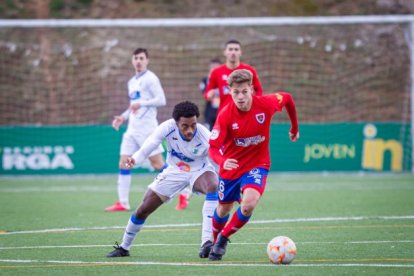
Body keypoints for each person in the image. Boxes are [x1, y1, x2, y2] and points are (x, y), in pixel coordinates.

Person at [106, 101, 218, 259]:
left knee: (213, 186)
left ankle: (207, 242)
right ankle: (124, 247)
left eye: (193, 125)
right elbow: (149, 145)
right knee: (143, 209)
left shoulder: (205, 134)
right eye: (185, 126)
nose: (190, 130)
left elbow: (218, 157)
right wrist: (135, 159)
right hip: (174, 171)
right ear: (176, 122)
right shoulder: (167, 127)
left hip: (200, 170)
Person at [207, 69, 299, 261]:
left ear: (252, 89)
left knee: (248, 205)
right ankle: (214, 240)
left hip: (258, 164)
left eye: (244, 92)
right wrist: (223, 161)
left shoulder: (266, 104)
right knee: (223, 209)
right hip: (231, 167)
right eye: (235, 92)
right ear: (229, 91)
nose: (240, 97)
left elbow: (288, 98)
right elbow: (212, 149)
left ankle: (223, 238)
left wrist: (294, 128)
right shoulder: (225, 115)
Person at [105, 47, 167, 212]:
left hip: (147, 129)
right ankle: (123, 202)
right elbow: (134, 106)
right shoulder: (132, 82)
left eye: (141, 58)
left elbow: (161, 100)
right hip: (132, 129)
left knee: (157, 164)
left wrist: (143, 103)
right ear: (132, 61)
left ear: (147, 60)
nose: (138, 61)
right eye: (136, 58)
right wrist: (123, 117)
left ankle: (184, 188)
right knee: (124, 163)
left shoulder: (151, 78)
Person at [204, 40, 263, 113]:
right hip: (224, 113)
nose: (233, 52)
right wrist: (209, 95)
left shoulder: (249, 70)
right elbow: (207, 94)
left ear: (240, 52)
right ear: (225, 52)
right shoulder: (216, 72)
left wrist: (253, 102)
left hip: (245, 113)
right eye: (230, 49)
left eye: (236, 49)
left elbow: (259, 90)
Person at [199, 57, 221, 130]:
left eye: (216, 67)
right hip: (209, 112)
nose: (214, 69)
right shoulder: (205, 80)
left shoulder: (225, 80)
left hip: (221, 111)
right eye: (213, 67)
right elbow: (205, 93)